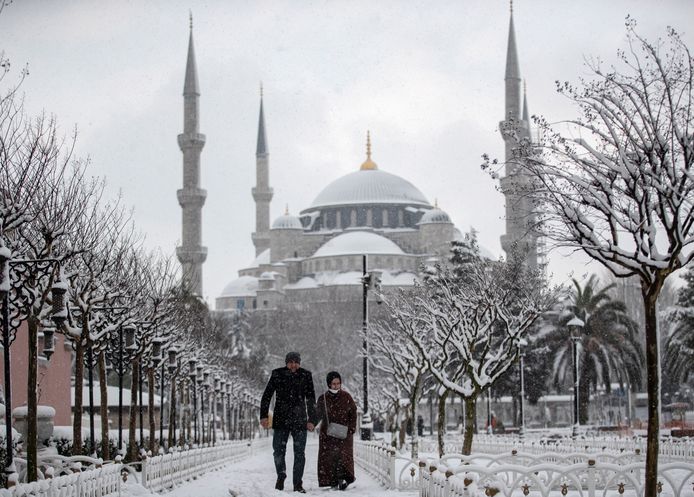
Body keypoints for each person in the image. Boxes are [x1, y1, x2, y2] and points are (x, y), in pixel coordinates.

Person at [260, 352, 317, 493]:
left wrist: (312, 420)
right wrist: (263, 416)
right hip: (281, 419)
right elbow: (267, 396)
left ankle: (298, 483)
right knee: (278, 451)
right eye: (290, 362)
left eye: (296, 362)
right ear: (286, 363)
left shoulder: (306, 375)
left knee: (299, 453)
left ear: (300, 362)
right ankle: (281, 475)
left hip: (299, 420)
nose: (293, 365)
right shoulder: (277, 374)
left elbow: (311, 399)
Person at [315, 371, 357, 491]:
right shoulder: (323, 398)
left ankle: (344, 479)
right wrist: (311, 423)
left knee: (343, 458)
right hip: (328, 433)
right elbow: (318, 415)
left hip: (344, 433)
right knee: (329, 458)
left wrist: (351, 428)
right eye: (333, 384)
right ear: (329, 384)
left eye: (338, 383)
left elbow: (353, 413)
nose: (336, 386)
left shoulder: (347, 397)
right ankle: (332, 481)